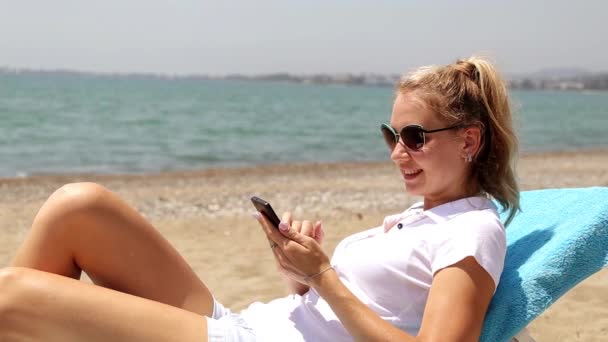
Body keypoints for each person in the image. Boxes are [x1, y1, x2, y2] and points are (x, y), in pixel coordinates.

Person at [0, 56, 519, 342]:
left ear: (469, 141)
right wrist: (298, 277)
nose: (397, 153)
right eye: (392, 136)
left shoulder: (471, 232)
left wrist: (324, 276)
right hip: (250, 325)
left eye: (415, 137)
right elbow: (336, 316)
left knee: (11, 296)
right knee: (78, 206)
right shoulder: (416, 218)